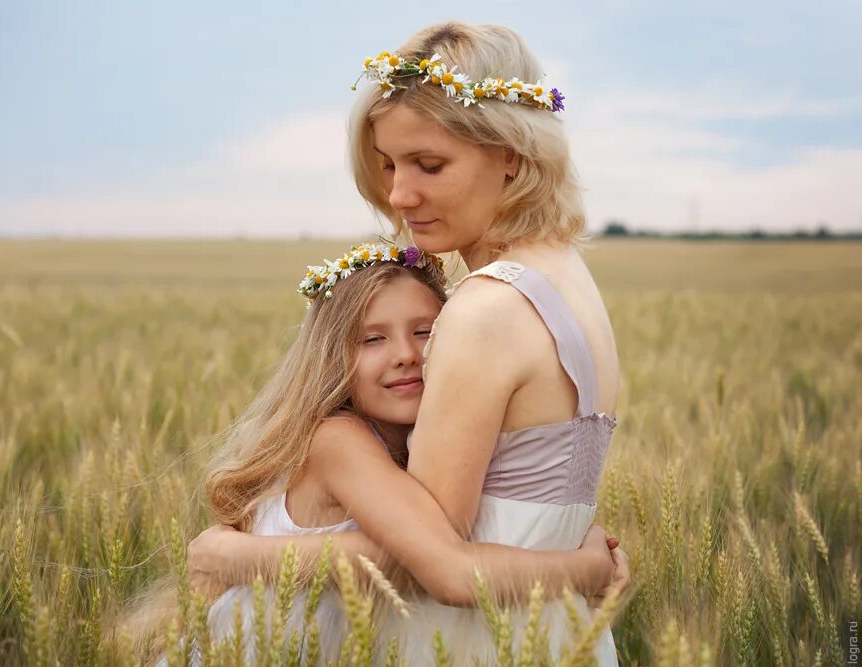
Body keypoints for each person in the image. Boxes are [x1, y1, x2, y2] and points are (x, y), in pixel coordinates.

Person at [188, 21, 626, 665]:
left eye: (429, 164)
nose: (398, 195)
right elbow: (528, 502)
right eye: (389, 164)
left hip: (466, 639)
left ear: (511, 151)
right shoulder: (568, 278)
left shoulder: (487, 309)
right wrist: (577, 547)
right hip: (558, 636)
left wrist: (234, 554)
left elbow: (426, 559)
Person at [167, 242, 622, 665]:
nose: (405, 354)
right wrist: (584, 567)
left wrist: (573, 526)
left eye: (425, 332)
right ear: (331, 357)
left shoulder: (425, 445)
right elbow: (432, 564)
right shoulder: (337, 440)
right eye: (372, 339)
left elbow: (487, 518)